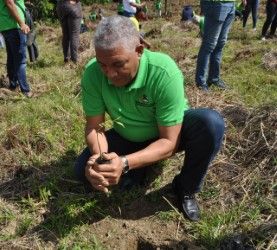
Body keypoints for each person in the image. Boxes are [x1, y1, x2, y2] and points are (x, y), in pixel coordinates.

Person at [75, 16, 225, 222]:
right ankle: (139, 167)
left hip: (167, 131)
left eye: (118, 64)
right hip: (127, 133)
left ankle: (185, 187)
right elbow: (95, 127)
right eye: (103, 64)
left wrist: (125, 163)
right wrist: (100, 158)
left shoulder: (163, 72)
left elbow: (169, 141)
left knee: (210, 124)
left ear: (139, 51)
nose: (109, 73)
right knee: (82, 170)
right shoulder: (93, 73)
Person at [195, 0, 241, 91]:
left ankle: (214, 78)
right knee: (209, 44)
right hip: (216, 4)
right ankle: (201, 82)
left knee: (220, 43)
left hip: (231, 4)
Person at [0, 0, 32, 97]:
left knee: (12, 57)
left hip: (6, 25)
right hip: (14, 25)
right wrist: (22, 23)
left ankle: (13, 85)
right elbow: (9, 2)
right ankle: (25, 90)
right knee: (20, 60)